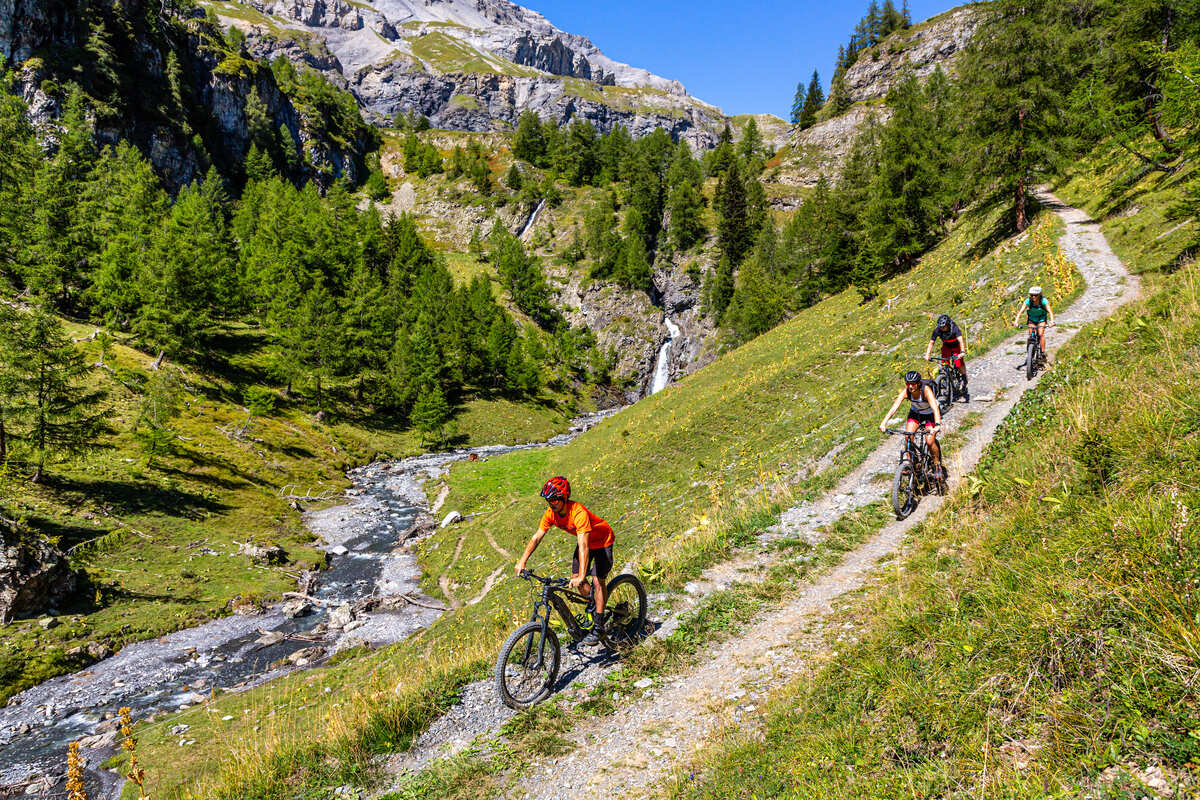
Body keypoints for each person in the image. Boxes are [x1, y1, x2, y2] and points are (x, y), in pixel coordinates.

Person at [515, 476, 615, 647]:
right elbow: (537, 537)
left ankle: (599, 626)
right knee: (575, 577)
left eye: (554, 499)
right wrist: (522, 561)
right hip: (586, 543)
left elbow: (583, 546)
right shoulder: (551, 514)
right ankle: (594, 604)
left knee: (597, 580)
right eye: (548, 500)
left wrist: (583, 575)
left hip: (602, 541)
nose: (550, 503)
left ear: (564, 497)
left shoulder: (578, 512)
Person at [879, 370, 944, 479]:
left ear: (918, 383)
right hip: (916, 414)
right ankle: (911, 464)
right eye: (907, 383)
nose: (910, 386)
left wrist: (937, 425)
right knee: (908, 436)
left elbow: (935, 408)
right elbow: (894, 407)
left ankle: (937, 465)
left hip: (930, 415)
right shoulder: (906, 392)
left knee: (930, 440)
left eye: (913, 383)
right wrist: (884, 422)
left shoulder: (926, 390)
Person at [923, 313, 969, 402]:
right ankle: (945, 377)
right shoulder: (937, 330)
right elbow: (931, 343)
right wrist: (927, 354)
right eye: (940, 327)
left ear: (948, 325)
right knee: (944, 362)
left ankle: (964, 377)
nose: (942, 328)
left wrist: (962, 352)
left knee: (958, 362)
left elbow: (961, 341)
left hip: (956, 346)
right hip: (946, 346)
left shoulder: (954, 328)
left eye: (943, 327)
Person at [1012, 286, 1055, 361]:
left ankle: (1042, 352)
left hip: (1041, 319)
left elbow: (1050, 312)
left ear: (1040, 295)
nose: (1033, 297)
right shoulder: (1028, 301)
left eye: (1035, 295)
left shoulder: (1044, 301)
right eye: (1031, 295)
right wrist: (1016, 322)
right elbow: (1020, 312)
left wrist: (1052, 321)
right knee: (1031, 334)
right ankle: (1030, 351)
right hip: (1032, 319)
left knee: (1041, 334)